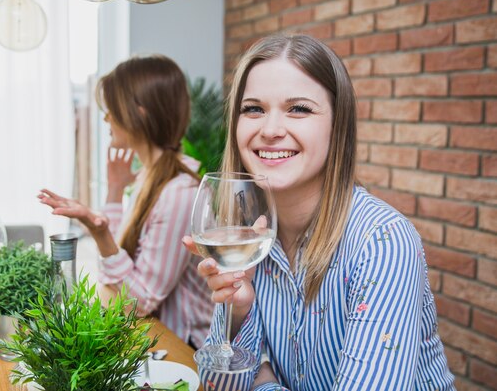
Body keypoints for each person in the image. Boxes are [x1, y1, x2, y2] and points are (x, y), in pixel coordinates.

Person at [184, 34, 455, 390]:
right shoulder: (252, 240)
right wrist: (239, 312)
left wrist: (262, 380)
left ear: (337, 125)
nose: (270, 130)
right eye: (253, 109)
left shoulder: (383, 242)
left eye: (299, 109)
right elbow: (217, 381)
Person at [39, 55, 213, 349]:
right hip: (151, 335)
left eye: (111, 110)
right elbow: (122, 269)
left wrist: (100, 233)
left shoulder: (179, 193)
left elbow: (138, 301)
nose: (106, 118)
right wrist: (115, 191)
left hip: (184, 349)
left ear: (140, 114)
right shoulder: (149, 177)